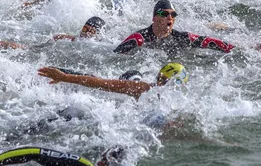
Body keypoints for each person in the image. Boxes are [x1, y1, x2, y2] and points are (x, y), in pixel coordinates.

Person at [114, 0, 235, 56]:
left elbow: (209, 42)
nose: (169, 18)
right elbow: (113, 57)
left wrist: (234, 50)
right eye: (164, 14)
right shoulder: (139, 38)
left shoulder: (182, 38)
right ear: (154, 18)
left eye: (173, 15)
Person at [39, 62, 190, 100]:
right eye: (159, 79)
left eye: (164, 81)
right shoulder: (145, 89)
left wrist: (65, 77)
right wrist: (65, 77)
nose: (159, 84)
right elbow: (101, 83)